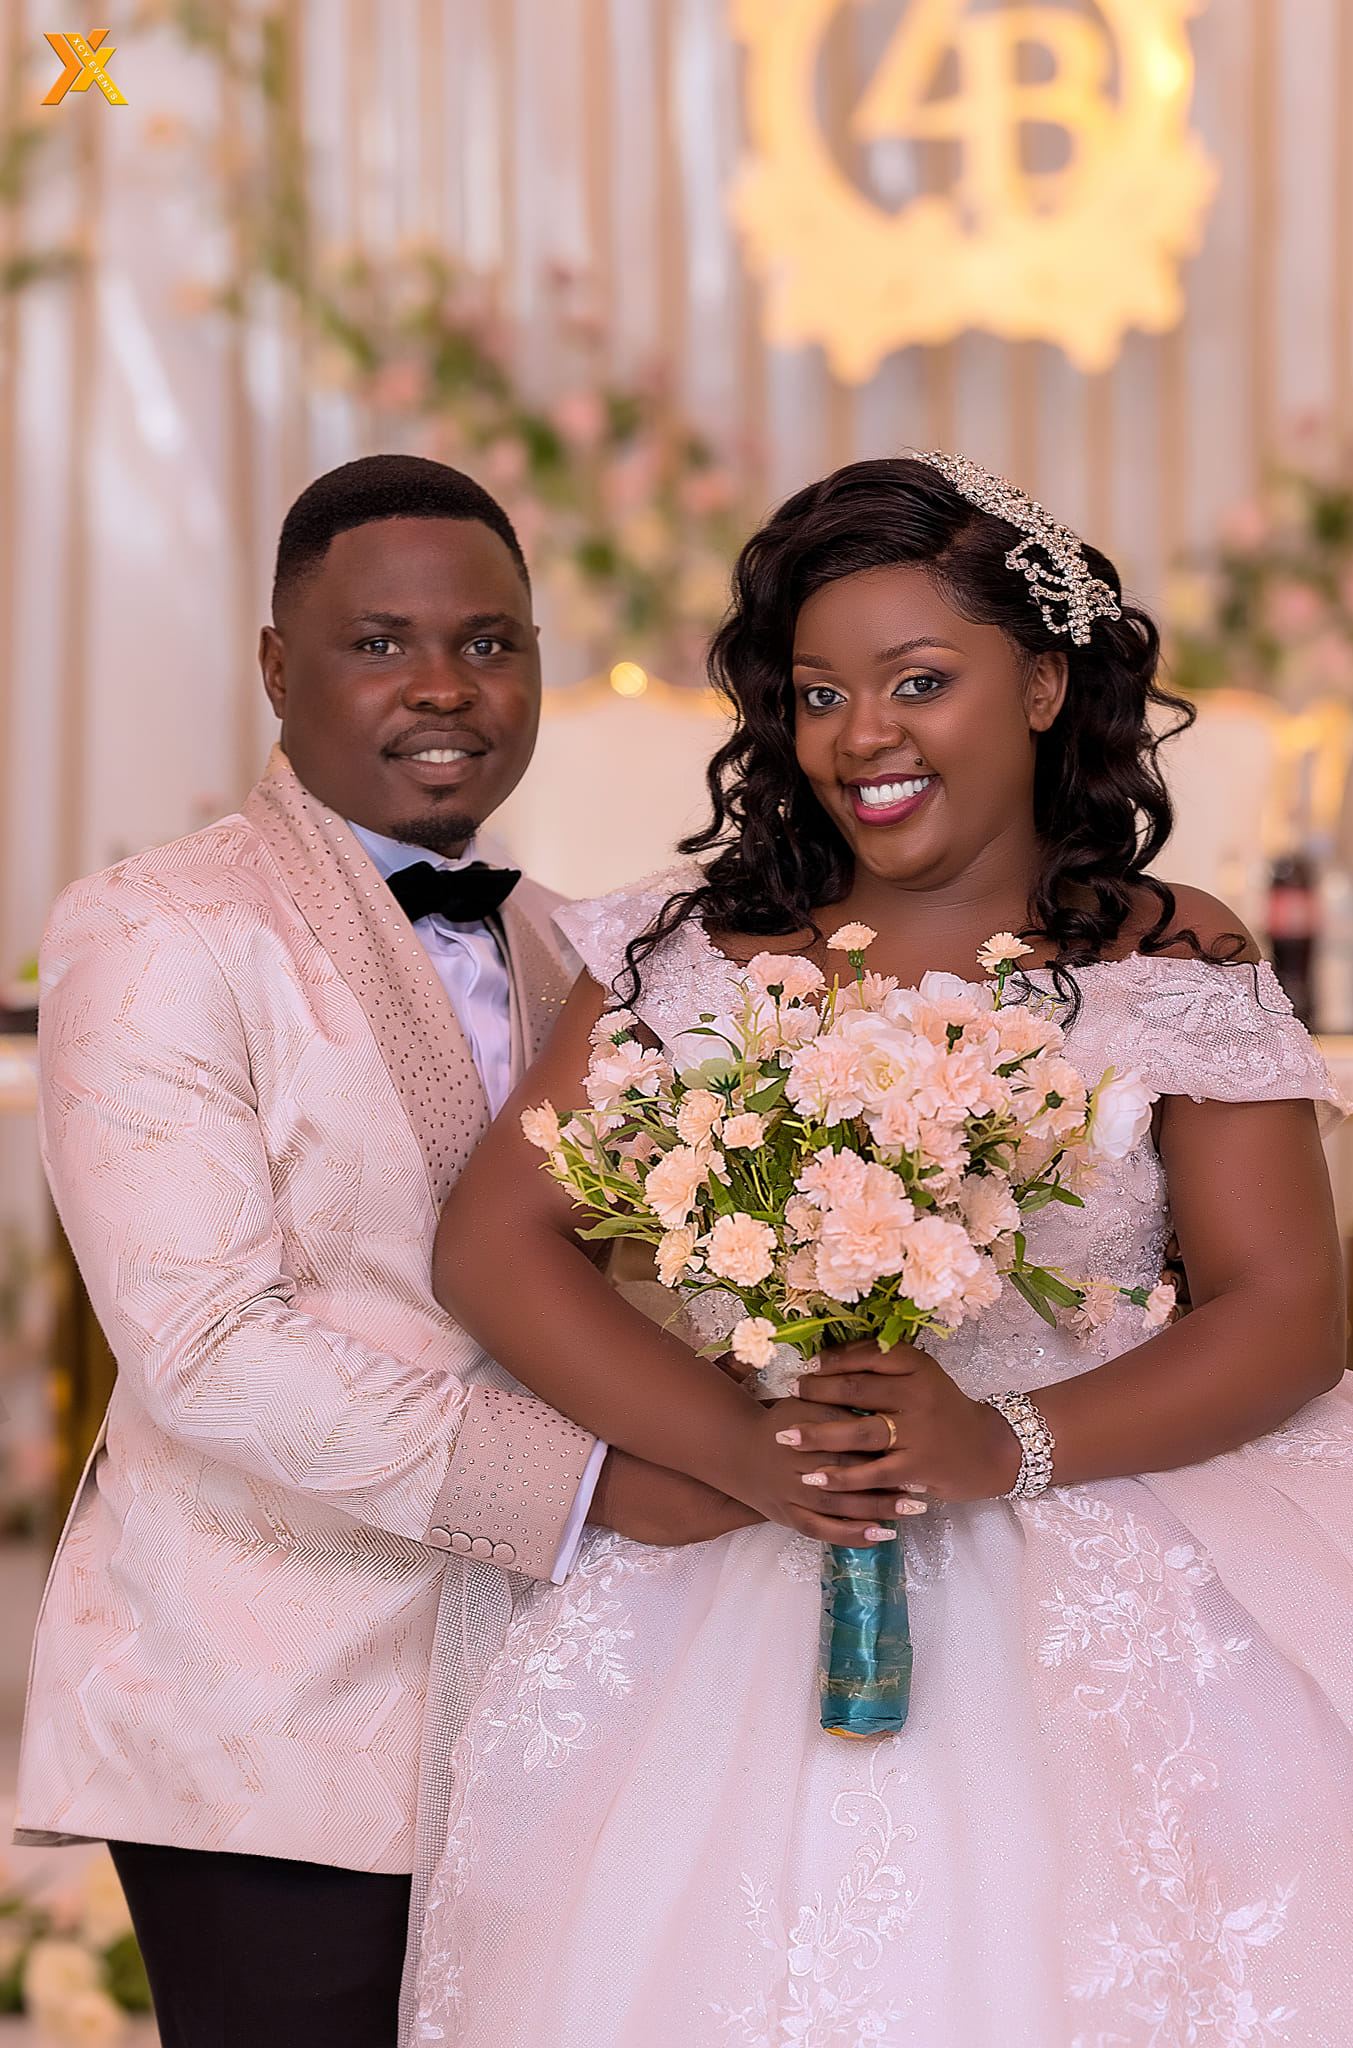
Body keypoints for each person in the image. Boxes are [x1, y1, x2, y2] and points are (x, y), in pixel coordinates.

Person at [411, 455, 1353, 2046]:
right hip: (756, 1564)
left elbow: (1285, 1311)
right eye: (818, 695)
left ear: (1043, 686)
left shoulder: (1168, 949)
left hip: (1133, 1531)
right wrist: (739, 1450)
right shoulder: (695, 955)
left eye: (919, 681)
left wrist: (1000, 1445)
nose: (861, 735)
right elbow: (496, 1243)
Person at [15, 454, 748, 2048]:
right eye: (378, 644)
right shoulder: (155, 928)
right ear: (277, 667)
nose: (444, 687)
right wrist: (598, 1487)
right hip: (268, 1716)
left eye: (489, 643)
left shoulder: (578, 946)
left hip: (561, 1701)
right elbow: (209, 1347)